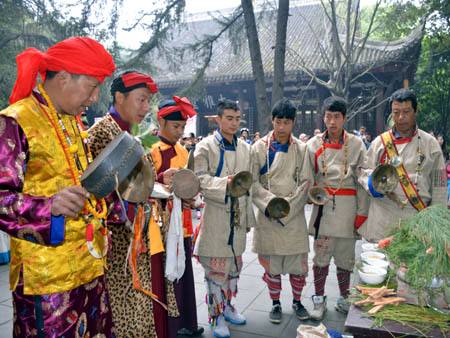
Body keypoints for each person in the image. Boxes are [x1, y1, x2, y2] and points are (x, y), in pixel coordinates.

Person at [0, 37, 115, 337]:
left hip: (89, 264)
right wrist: (47, 207)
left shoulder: (70, 122)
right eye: (92, 87)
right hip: (47, 278)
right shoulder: (16, 120)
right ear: (63, 77)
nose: (93, 98)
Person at [87, 71, 180, 338]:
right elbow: (102, 194)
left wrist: (159, 179)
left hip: (137, 243)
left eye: (148, 101)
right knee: (122, 317)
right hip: (117, 251)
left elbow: (130, 183)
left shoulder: (129, 134)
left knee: (139, 314)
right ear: (119, 97)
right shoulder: (102, 133)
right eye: (140, 100)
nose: (145, 108)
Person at [193, 99, 255, 338]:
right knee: (216, 272)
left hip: (237, 217)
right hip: (216, 216)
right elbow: (199, 180)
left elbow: (251, 184)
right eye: (228, 118)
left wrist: (248, 218)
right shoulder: (205, 147)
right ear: (217, 119)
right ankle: (216, 315)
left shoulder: (245, 148)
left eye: (237, 119)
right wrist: (226, 184)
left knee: (233, 269)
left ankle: (229, 307)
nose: (233, 123)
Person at [306, 97, 369, 320]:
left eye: (337, 117)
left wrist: (362, 214)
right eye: (328, 116)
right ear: (323, 117)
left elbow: (363, 182)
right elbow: (306, 178)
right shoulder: (312, 145)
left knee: (345, 259)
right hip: (323, 208)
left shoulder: (357, 144)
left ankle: (344, 299)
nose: (332, 122)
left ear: (344, 118)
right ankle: (318, 299)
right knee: (320, 258)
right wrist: (310, 193)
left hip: (348, 208)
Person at [251, 98, 313, 324]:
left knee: (298, 266)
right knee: (273, 267)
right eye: (278, 121)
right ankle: (275, 303)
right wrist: (271, 206)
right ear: (272, 120)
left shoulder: (303, 149)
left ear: (293, 123)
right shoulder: (258, 148)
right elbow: (252, 183)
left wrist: (287, 208)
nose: (282, 127)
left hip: (293, 216)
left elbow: (306, 182)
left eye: (287, 122)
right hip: (268, 215)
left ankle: (297, 301)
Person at [358, 89, 447, 241]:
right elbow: (363, 172)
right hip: (382, 219)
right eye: (396, 112)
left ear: (415, 111)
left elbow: (439, 186)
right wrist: (372, 184)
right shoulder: (380, 142)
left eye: (406, 111)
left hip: (418, 222)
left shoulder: (430, 144)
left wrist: (437, 224)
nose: (401, 117)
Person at [150, 96, 204, 337]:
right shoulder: (152, 151)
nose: (180, 131)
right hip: (161, 224)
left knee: (185, 272)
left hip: (182, 220)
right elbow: (146, 186)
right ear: (160, 122)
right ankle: (169, 326)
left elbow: (189, 183)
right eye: (175, 127)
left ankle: (187, 322)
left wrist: (192, 196)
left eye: (183, 127)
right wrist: (161, 182)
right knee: (166, 272)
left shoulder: (184, 151)